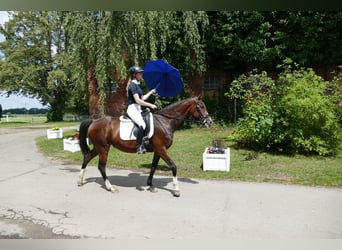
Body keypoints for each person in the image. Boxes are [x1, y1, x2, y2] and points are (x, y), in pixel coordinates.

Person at [127, 65, 157, 154]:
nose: (141, 75)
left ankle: (145, 141)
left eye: (141, 73)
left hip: (137, 109)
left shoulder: (137, 85)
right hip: (132, 109)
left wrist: (151, 92)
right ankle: (138, 146)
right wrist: (151, 105)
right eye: (139, 73)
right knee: (142, 124)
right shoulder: (132, 85)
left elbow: (142, 98)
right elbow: (138, 101)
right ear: (134, 75)